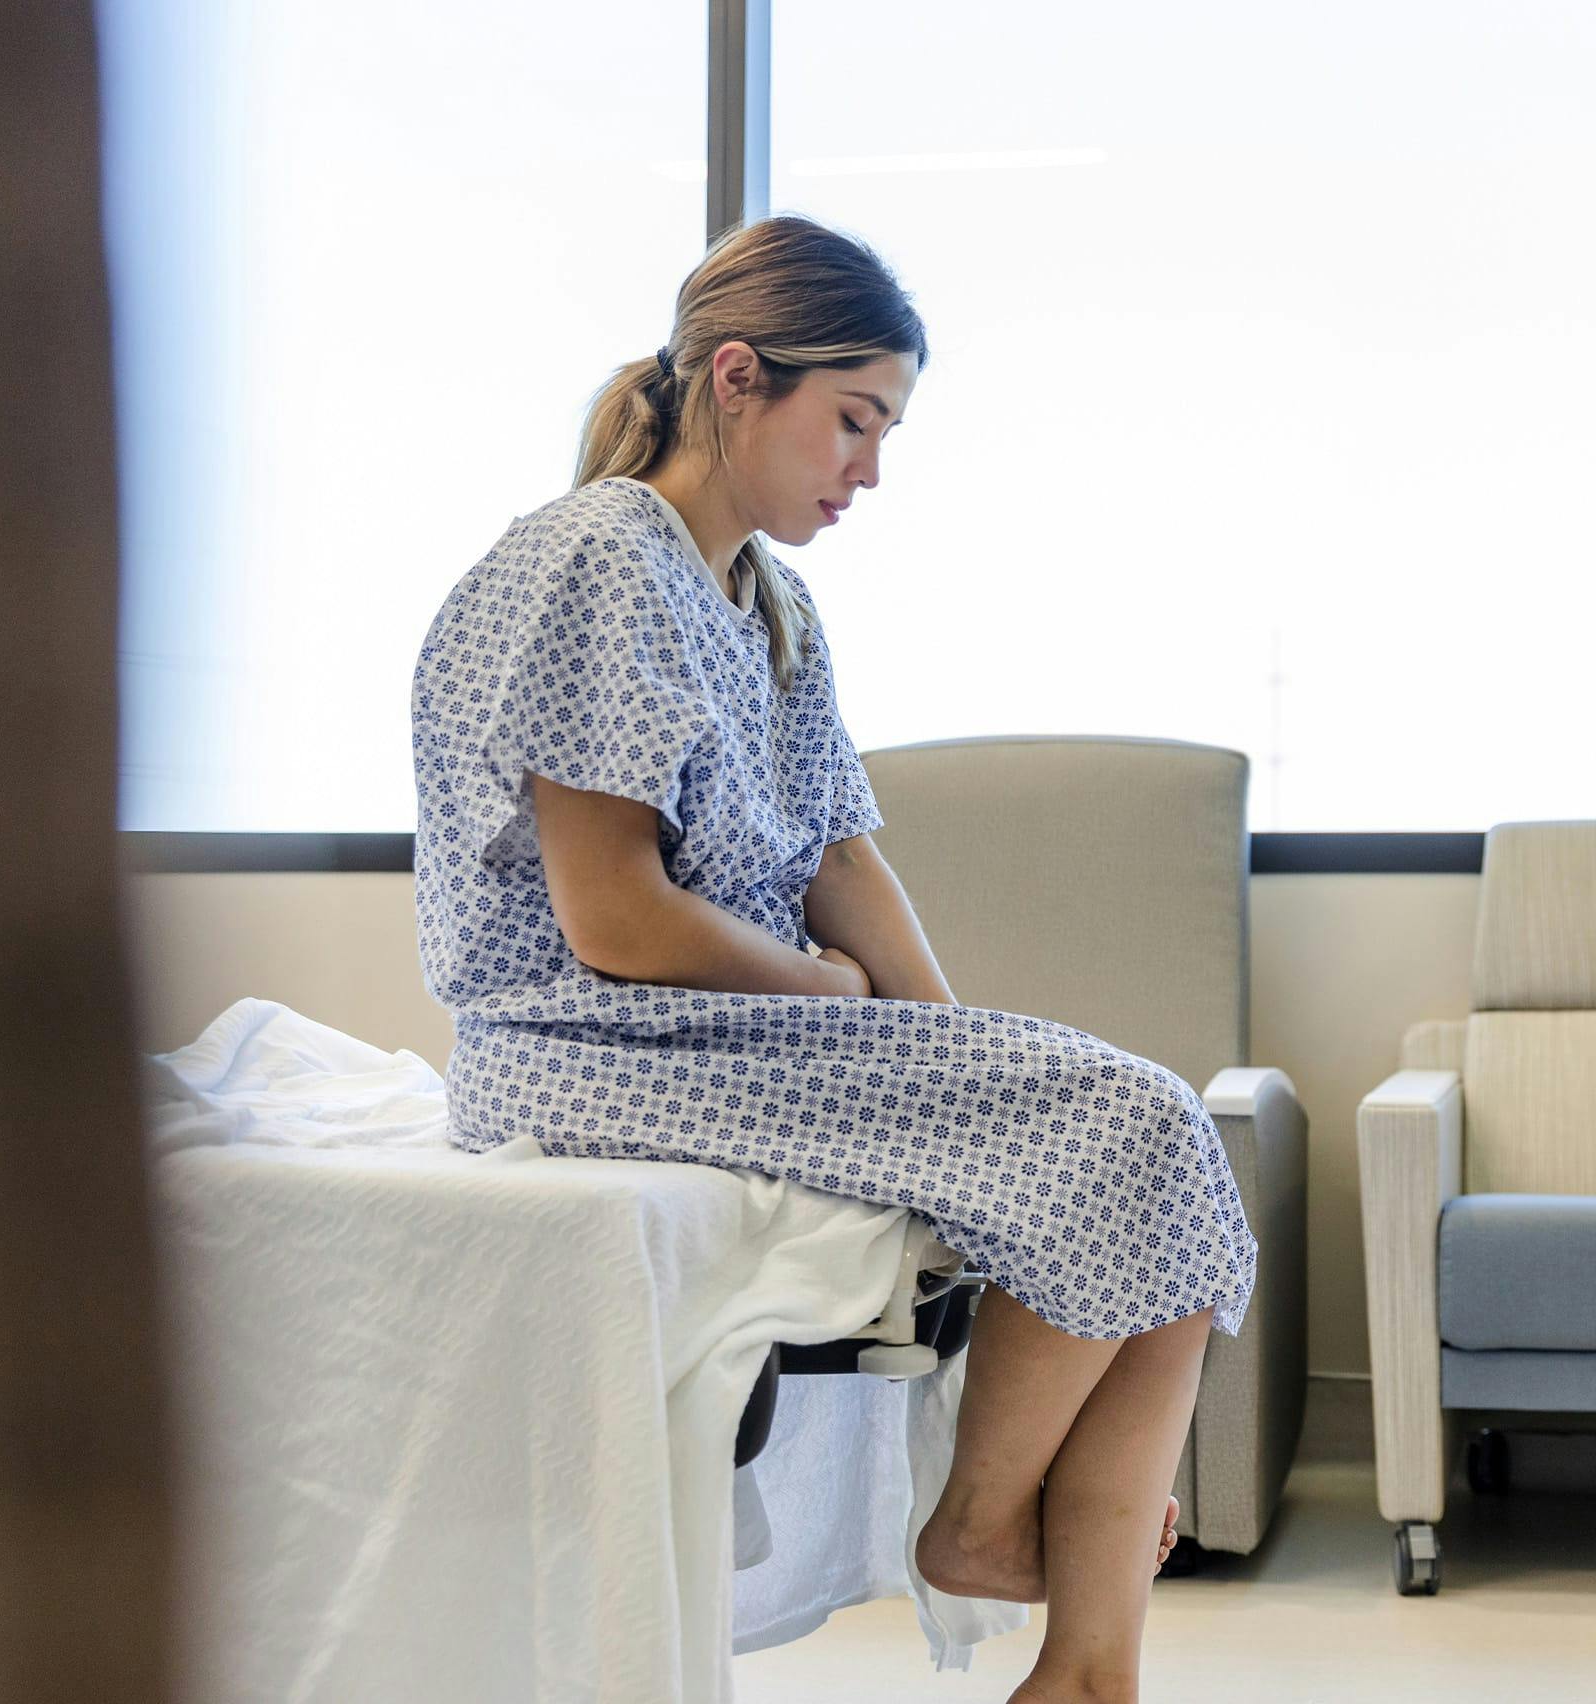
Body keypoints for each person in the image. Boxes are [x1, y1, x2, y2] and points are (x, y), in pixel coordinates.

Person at [410, 212, 1258, 1704]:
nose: (869, 469)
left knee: (1155, 1148)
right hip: (587, 1043)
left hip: (724, 1034)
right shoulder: (596, 561)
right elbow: (613, 921)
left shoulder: (770, 601)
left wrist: (956, 1058)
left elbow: (842, 861)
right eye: (855, 420)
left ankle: (1086, 1676)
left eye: (886, 432)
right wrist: (832, 995)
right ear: (739, 377)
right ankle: (979, 1531)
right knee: (1139, 1122)